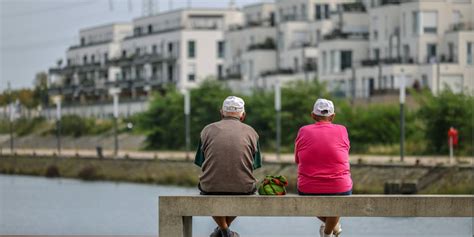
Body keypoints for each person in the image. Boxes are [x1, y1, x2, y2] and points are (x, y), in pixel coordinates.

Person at [194, 96, 262, 237]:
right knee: (246, 188)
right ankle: (225, 231)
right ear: (243, 115)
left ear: (221, 112)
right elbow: (254, 165)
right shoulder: (252, 132)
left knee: (210, 189)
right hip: (243, 188)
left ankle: (223, 231)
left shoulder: (207, 130)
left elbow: (201, 162)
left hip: (210, 187)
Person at [294, 98, 352, 237]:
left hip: (307, 188)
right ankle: (329, 231)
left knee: (311, 202)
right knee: (338, 202)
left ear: (313, 115)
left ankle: (327, 233)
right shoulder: (342, 130)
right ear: (332, 116)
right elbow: (344, 154)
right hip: (341, 187)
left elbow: (297, 160)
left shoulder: (303, 131)